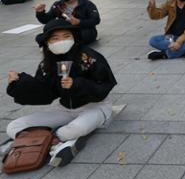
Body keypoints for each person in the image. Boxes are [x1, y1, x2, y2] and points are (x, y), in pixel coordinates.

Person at [5, 19, 117, 167]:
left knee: (71, 130)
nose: (61, 41)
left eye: (66, 36)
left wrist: (76, 84)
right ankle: (50, 143)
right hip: (65, 109)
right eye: (55, 38)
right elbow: (44, 93)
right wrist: (19, 83)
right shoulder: (47, 64)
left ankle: (47, 141)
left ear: (73, 37)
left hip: (96, 106)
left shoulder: (89, 57)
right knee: (14, 127)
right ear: (47, 43)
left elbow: (104, 86)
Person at [35, 0, 101, 45]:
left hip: (82, 29)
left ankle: (63, 42)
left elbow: (96, 20)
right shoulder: (57, 5)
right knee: (41, 37)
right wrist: (40, 13)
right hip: (65, 30)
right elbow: (46, 20)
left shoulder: (86, 4)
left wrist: (79, 22)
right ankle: (64, 42)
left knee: (85, 35)